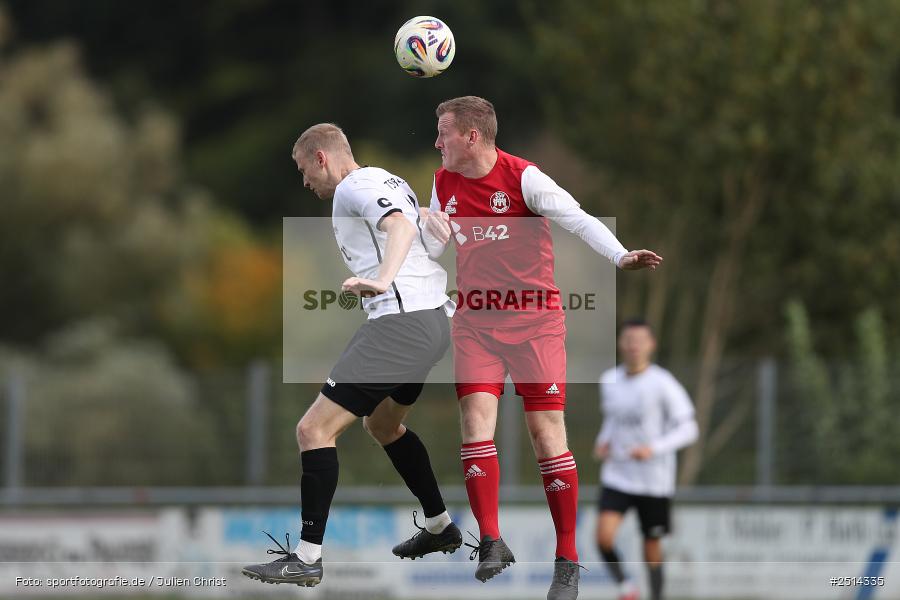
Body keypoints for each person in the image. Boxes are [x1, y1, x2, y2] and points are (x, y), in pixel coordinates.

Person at [421, 96, 663, 600]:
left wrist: (620, 256)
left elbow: (577, 218)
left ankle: (568, 560)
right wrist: (428, 231)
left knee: (544, 432)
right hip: (476, 321)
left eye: (443, 131)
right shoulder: (442, 182)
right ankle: (490, 539)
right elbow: (435, 251)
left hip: (536, 322)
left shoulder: (524, 178)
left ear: (472, 137)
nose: (436, 141)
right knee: (474, 419)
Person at [242, 123, 462, 587]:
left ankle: (306, 557)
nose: (305, 183)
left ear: (322, 158)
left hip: (400, 324)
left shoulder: (353, 187)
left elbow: (400, 226)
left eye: (304, 171)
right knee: (382, 425)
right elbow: (413, 222)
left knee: (313, 429)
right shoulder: (387, 178)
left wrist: (382, 279)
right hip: (432, 323)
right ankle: (441, 527)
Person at [594, 319, 699, 600]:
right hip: (618, 474)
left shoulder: (663, 383)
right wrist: (602, 442)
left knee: (651, 544)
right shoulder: (608, 381)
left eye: (640, 340)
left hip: (654, 479)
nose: (633, 346)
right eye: (628, 339)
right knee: (603, 537)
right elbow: (612, 422)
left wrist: (653, 448)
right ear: (620, 344)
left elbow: (690, 428)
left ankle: (656, 595)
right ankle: (626, 587)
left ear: (651, 345)